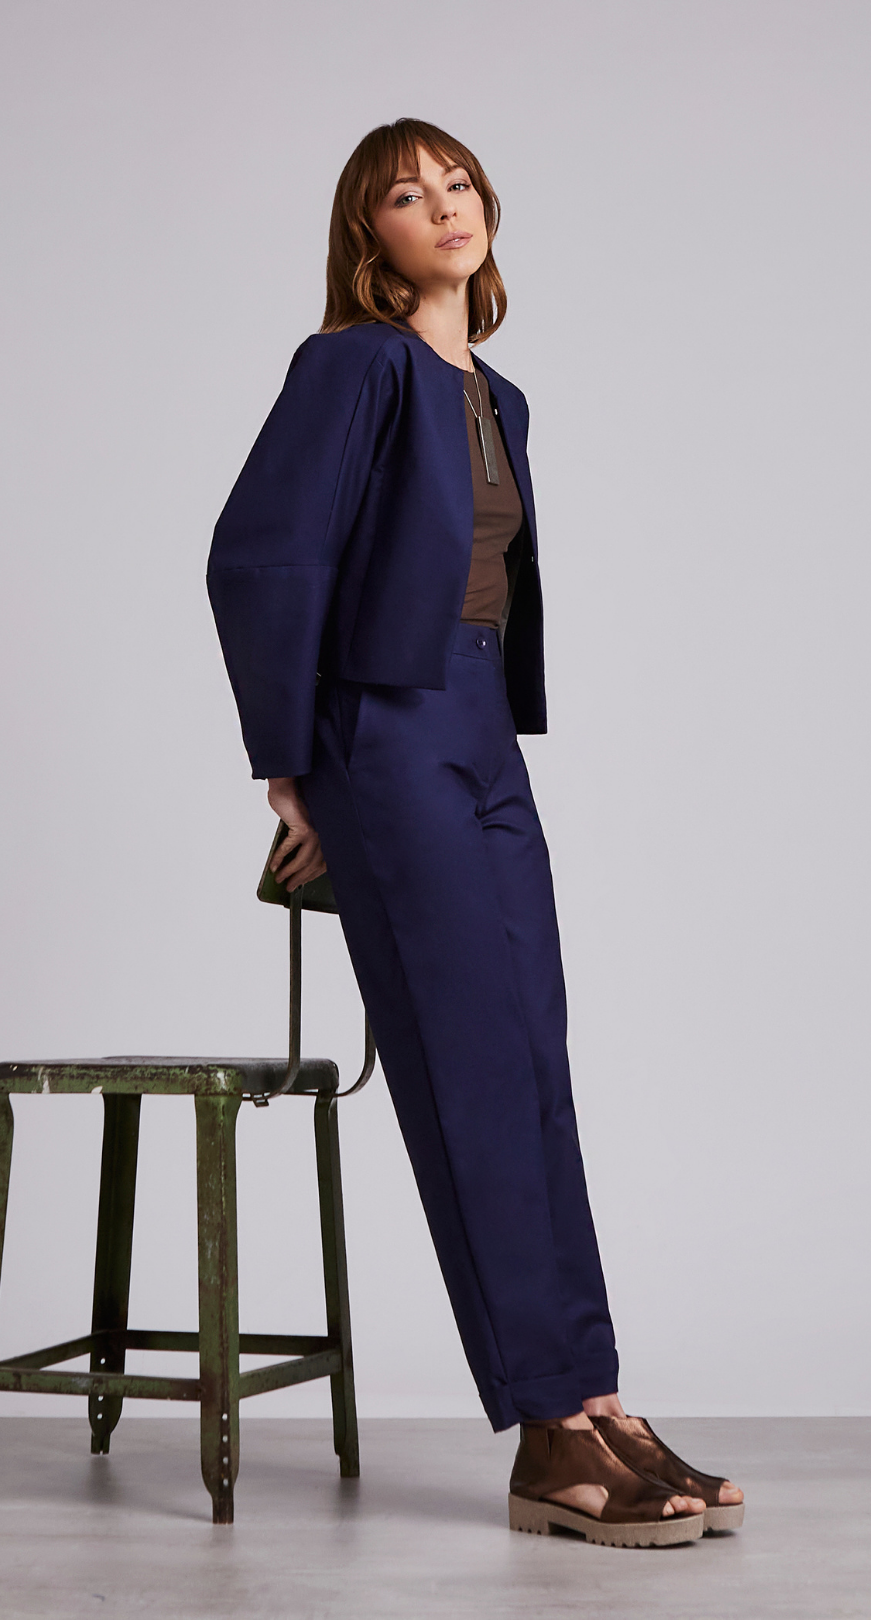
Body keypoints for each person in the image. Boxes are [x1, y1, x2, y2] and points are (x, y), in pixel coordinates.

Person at [207, 117, 744, 1548]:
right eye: (406, 193)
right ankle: (547, 1431)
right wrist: (290, 767)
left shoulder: (495, 392)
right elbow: (262, 554)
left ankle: (596, 1396)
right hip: (382, 731)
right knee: (466, 1065)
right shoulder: (354, 365)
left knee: (532, 1056)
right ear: (367, 237)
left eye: (458, 184)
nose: (443, 207)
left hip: (480, 724)